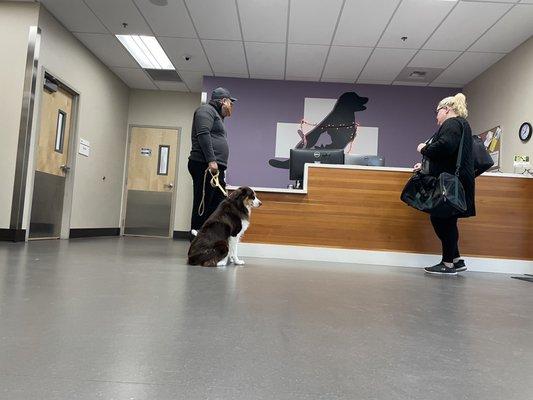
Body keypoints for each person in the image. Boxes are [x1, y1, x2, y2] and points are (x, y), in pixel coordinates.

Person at [414, 93, 475, 276]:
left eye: (437, 112)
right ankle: (456, 260)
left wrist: (423, 148)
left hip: (449, 183)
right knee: (448, 220)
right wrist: (426, 165)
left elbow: (444, 147)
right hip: (458, 181)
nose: (436, 116)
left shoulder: (452, 123)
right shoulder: (462, 125)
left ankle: (447, 264)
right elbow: (451, 154)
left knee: (441, 219)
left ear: (446, 109)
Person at [188, 87, 236, 240]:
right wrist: (211, 160)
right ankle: (196, 240)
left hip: (215, 168)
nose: (231, 106)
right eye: (230, 102)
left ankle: (209, 241)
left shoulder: (216, 116)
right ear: (223, 100)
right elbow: (203, 134)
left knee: (218, 205)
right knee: (203, 204)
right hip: (204, 165)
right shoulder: (205, 111)